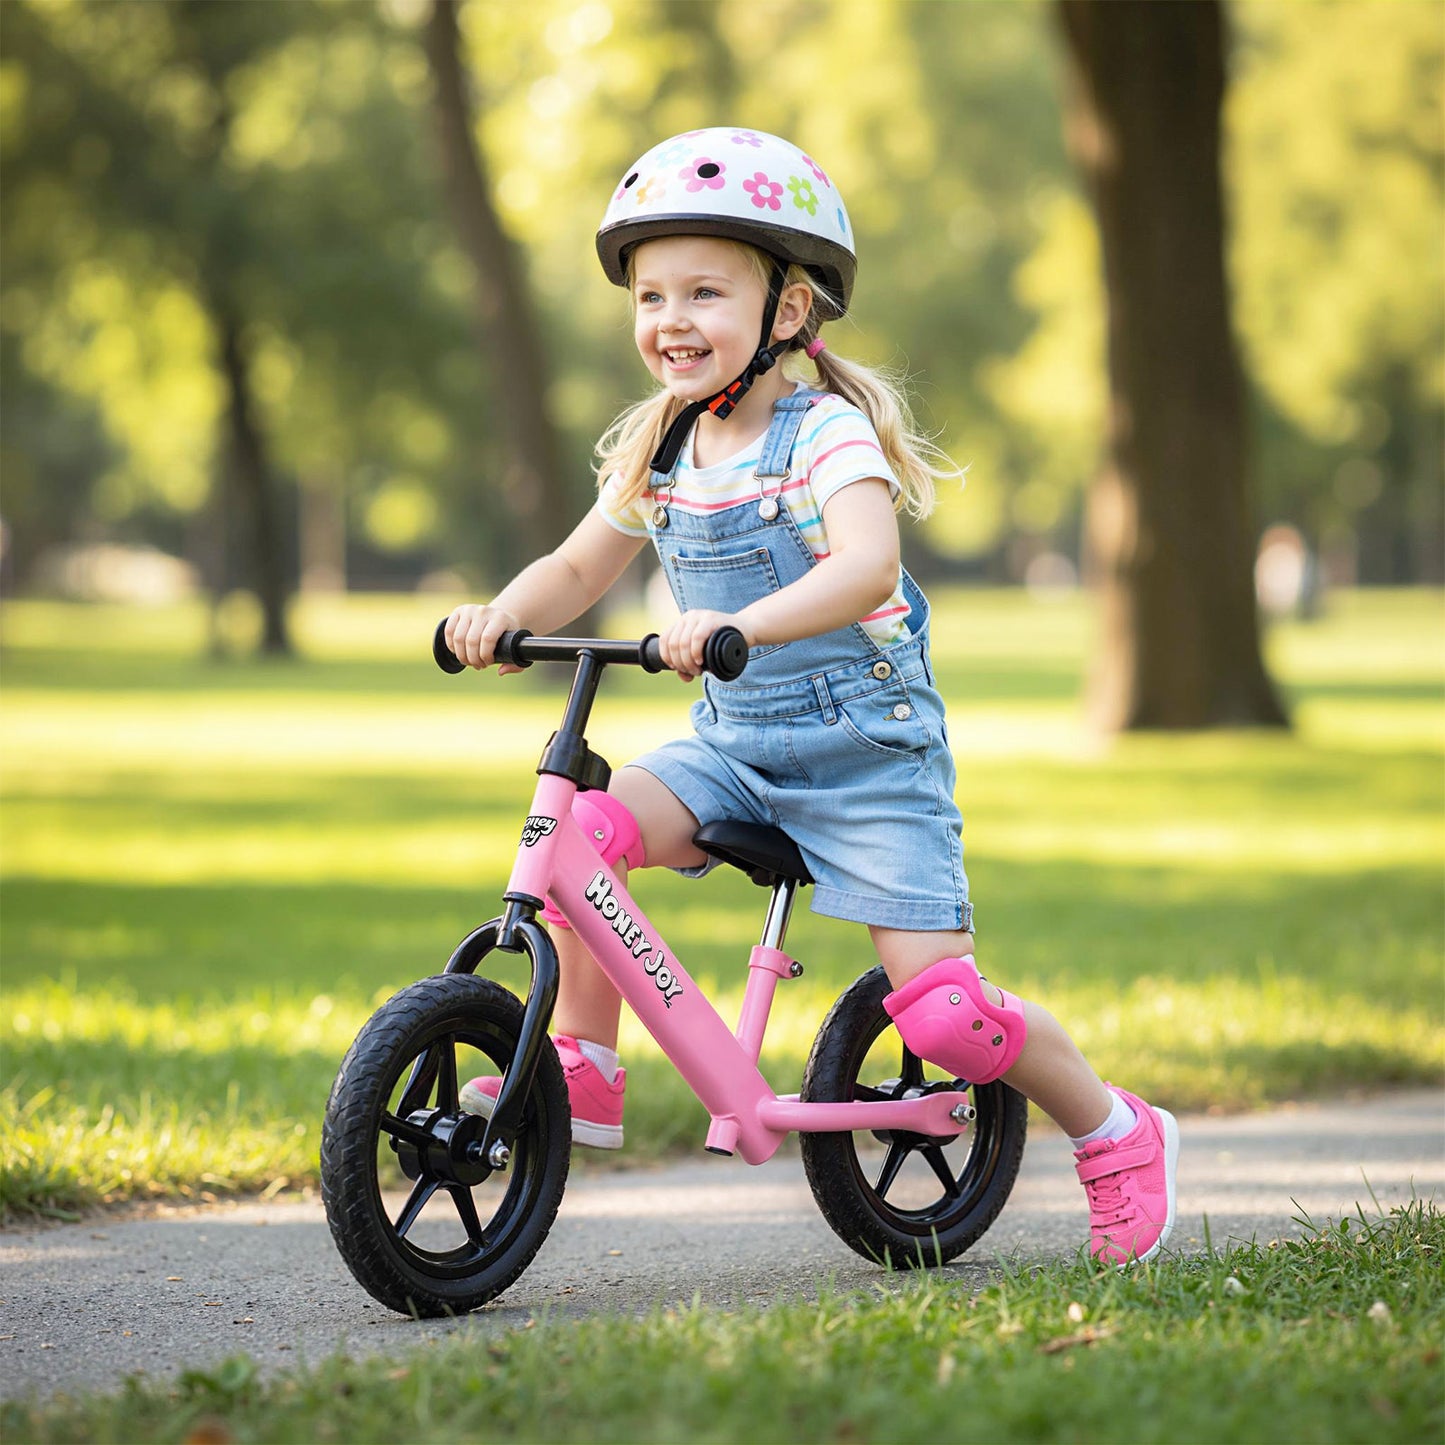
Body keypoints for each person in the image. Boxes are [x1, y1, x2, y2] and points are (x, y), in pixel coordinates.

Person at [445, 129, 1178, 1266]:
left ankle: (1114, 1128)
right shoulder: (661, 443)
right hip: (734, 744)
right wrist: (499, 611)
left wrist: (739, 621)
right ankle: (581, 1061)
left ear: (787, 310)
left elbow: (862, 567)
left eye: (703, 291)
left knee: (941, 1014)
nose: (669, 319)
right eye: (650, 295)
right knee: (580, 831)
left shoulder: (822, 432)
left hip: (865, 751)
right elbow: (578, 567)